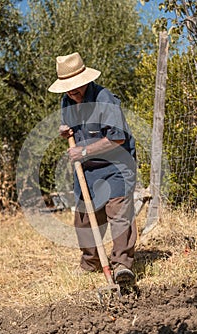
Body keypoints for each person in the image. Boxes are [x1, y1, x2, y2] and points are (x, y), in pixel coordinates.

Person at [48, 52, 137, 284]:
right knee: (85, 219)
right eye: (67, 88)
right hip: (87, 169)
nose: (71, 92)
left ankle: (121, 266)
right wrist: (65, 131)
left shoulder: (105, 100)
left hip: (117, 165)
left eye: (75, 87)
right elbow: (71, 127)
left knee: (118, 216)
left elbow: (116, 139)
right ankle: (91, 263)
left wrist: (84, 151)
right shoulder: (67, 100)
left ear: (86, 80)